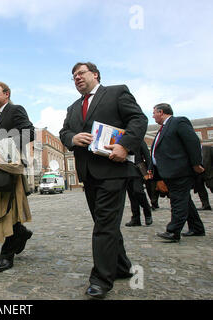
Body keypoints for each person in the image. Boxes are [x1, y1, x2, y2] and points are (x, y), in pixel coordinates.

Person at [60, 62, 148, 299]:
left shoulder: (117, 92)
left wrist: (124, 145)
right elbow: (64, 132)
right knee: (105, 222)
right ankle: (121, 266)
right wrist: (73, 137)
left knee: (104, 226)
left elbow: (138, 120)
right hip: (88, 174)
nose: (77, 77)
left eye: (81, 73)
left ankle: (101, 279)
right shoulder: (73, 107)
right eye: (73, 76)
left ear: (95, 74)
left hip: (113, 170)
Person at [0, 81, 35, 273]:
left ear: (7, 94)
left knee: (8, 210)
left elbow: (29, 132)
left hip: (12, 167)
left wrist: (3, 145)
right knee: (3, 209)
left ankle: (7, 255)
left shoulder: (16, 109)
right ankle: (21, 233)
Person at [150, 103, 206, 241]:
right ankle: (197, 227)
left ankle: (173, 231)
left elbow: (193, 142)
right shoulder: (161, 129)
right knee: (184, 200)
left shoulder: (178, 122)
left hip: (180, 170)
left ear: (161, 112)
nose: (152, 116)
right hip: (169, 172)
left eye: (154, 113)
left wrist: (196, 163)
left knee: (178, 200)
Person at [125, 140, 153, 227]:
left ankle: (147, 211)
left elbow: (147, 155)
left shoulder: (139, 140)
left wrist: (150, 169)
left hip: (138, 170)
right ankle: (135, 218)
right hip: (126, 170)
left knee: (138, 191)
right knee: (131, 195)